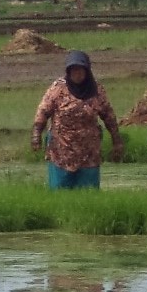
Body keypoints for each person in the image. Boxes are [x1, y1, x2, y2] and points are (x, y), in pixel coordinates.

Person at [31, 50, 124, 189]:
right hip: (61, 150)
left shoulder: (96, 90)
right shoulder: (58, 88)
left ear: (87, 71)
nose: (78, 74)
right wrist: (36, 135)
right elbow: (43, 112)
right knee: (60, 191)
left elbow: (108, 116)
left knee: (87, 193)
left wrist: (117, 141)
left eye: (81, 70)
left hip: (89, 152)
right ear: (68, 71)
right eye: (74, 70)